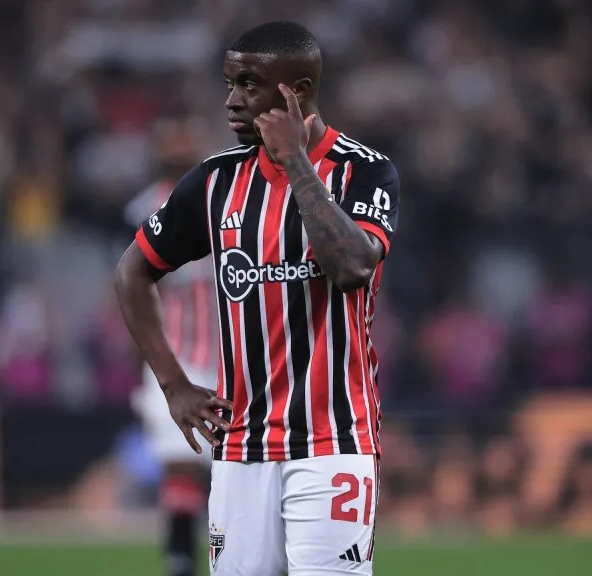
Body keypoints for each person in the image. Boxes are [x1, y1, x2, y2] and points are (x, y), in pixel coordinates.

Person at [114, 21, 399, 576]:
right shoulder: (214, 181)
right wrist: (173, 385)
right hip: (241, 448)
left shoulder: (364, 171)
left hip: (333, 441)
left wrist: (295, 162)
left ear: (297, 91)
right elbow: (132, 272)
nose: (231, 100)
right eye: (229, 83)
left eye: (248, 84)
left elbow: (352, 268)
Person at [123, 116, 219, 576]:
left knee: (237, 467)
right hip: (176, 356)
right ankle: (181, 558)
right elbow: (130, 288)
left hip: (235, 357)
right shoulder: (143, 209)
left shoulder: (227, 198)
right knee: (183, 460)